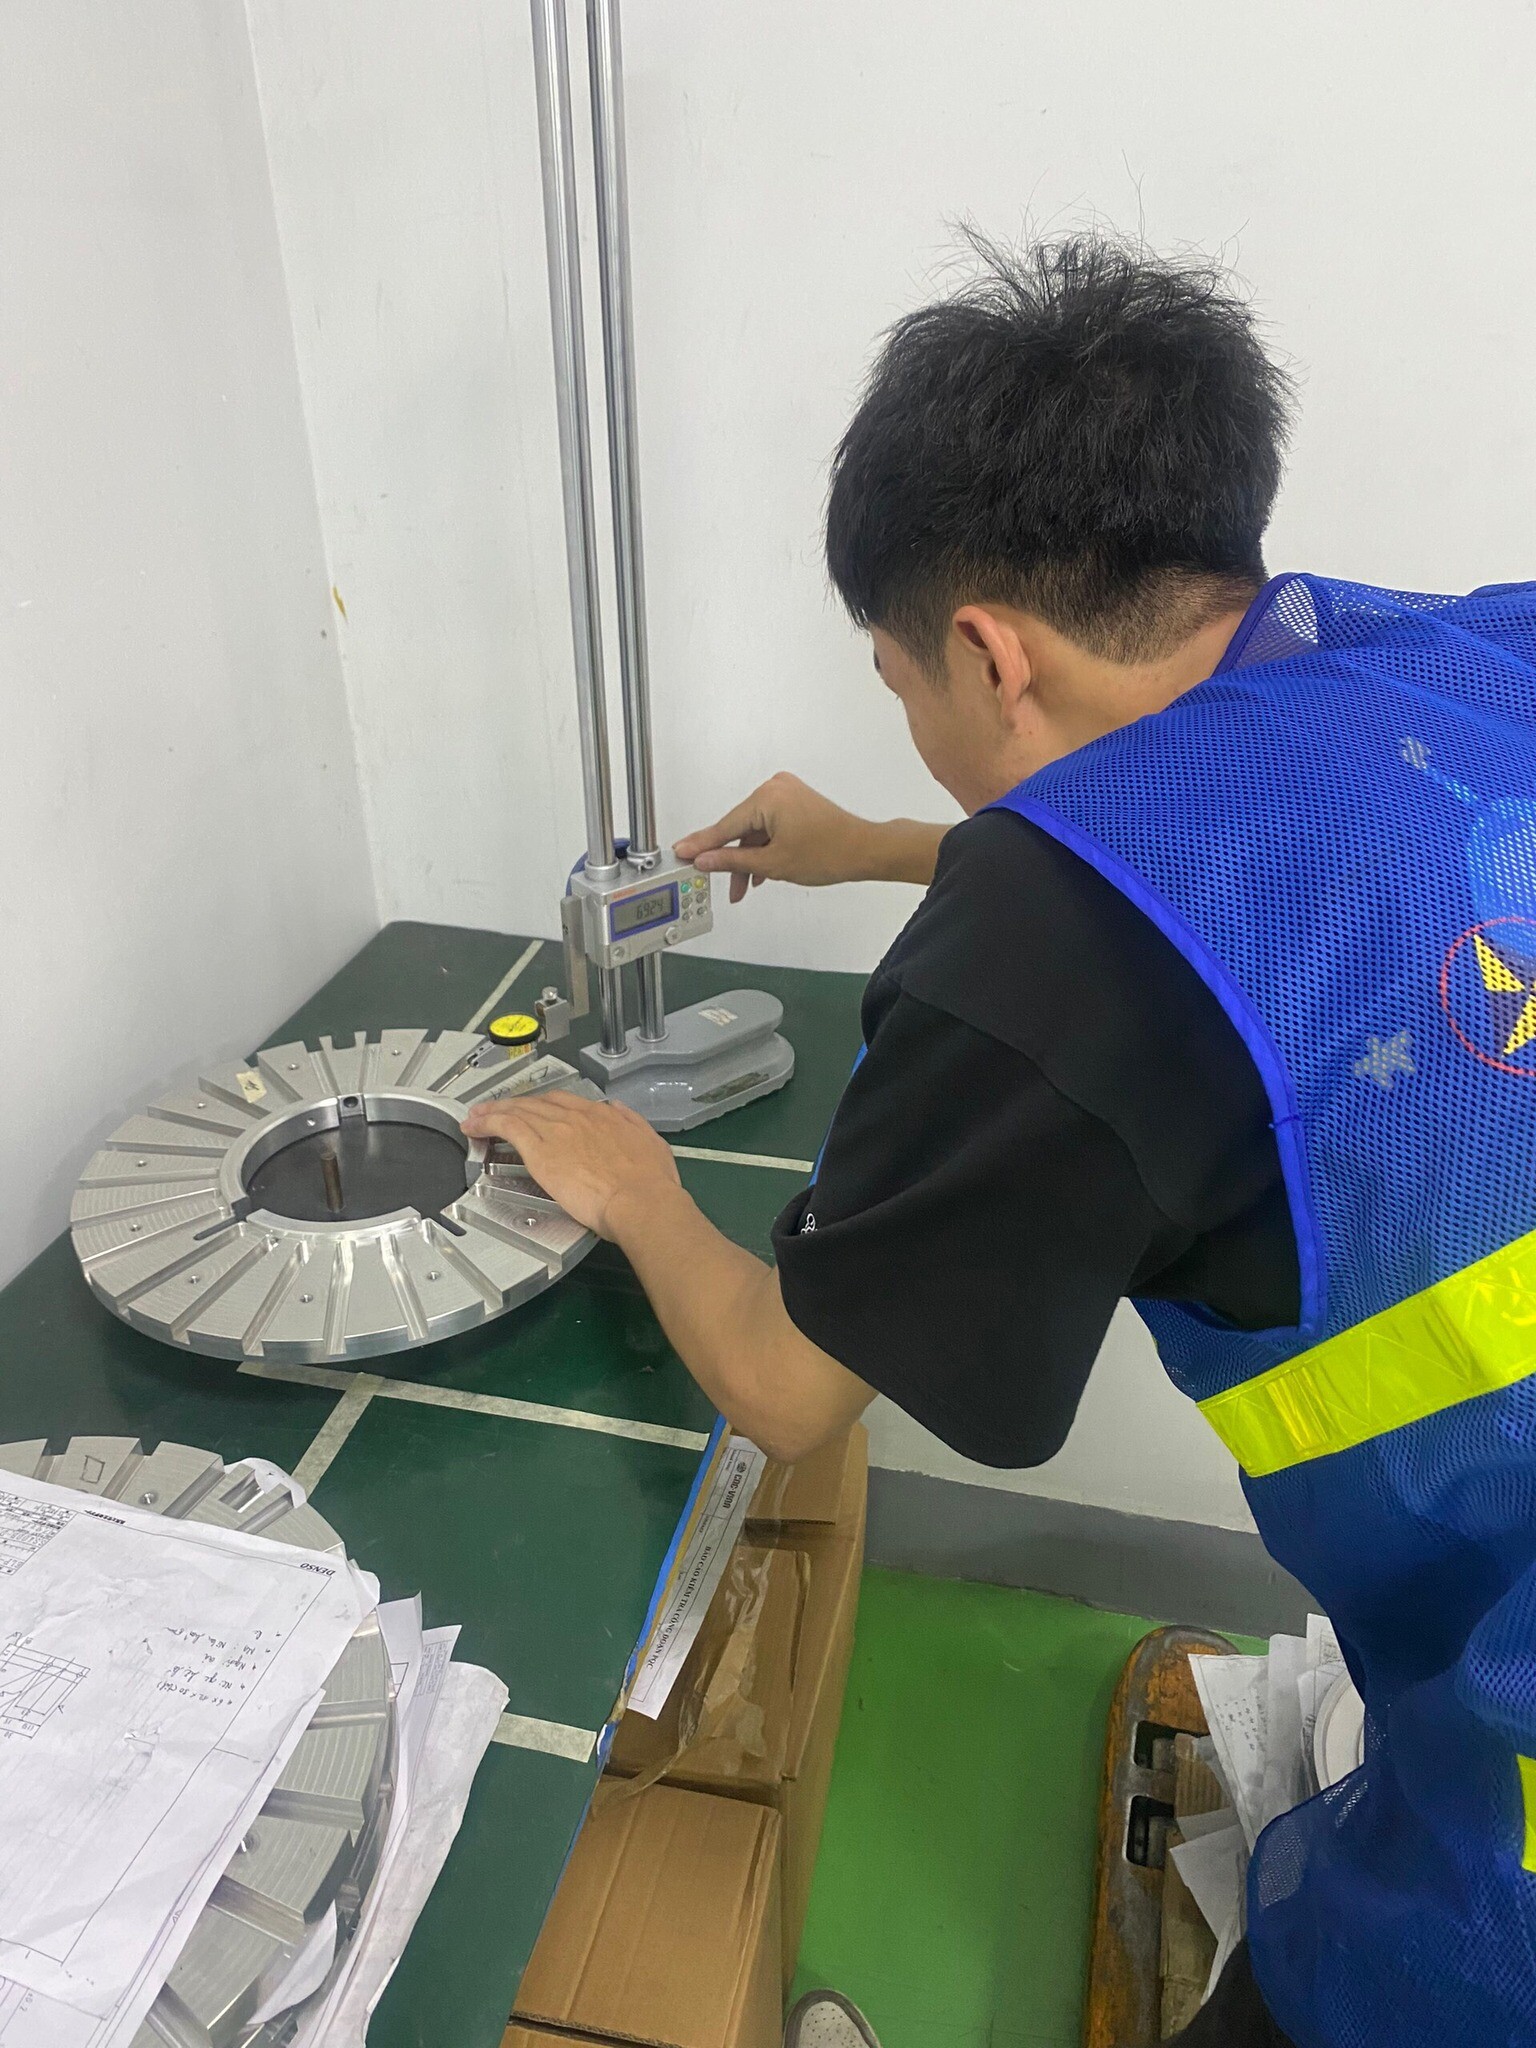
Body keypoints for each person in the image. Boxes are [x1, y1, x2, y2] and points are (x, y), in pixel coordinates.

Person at [466, 236, 1536, 2047]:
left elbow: (789, 1392)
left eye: (903, 687)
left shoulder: (1048, 946)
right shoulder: (1440, 649)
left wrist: (635, 1186)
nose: (916, 725)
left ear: (987, 651)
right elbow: (1267, 867)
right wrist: (896, 845)